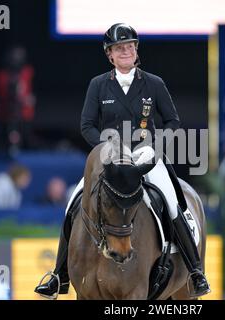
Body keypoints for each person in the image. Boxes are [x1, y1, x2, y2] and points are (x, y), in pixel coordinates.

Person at [35, 23, 210, 298]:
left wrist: (154, 148)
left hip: (146, 158)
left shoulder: (153, 83)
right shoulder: (98, 85)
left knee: (172, 202)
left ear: (136, 50)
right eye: (119, 48)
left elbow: (173, 121)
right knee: (73, 202)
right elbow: (87, 126)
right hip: (111, 160)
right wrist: (107, 147)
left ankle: (196, 270)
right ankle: (59, 275)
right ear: (110, 54)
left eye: (130, 46)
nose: (125, 51)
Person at [0, 45, 36, 153]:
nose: (17, 59)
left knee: (27, 142)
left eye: (20, 56)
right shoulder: (2, 75)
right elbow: (2, 95)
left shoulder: (28, 72)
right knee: (5, 142)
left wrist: (30, 99)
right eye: (15, 56)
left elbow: (32, 92)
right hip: (7, 115)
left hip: (25, 115)